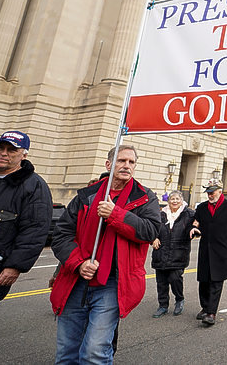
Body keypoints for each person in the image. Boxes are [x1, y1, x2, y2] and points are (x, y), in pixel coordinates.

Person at [51, 144, 161, 364]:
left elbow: (150, 231)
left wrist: (116, 214)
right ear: (109, 164)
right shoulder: (87, 196)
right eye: (121, 161)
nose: (126, 166)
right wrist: (79, 263)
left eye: (131, 162)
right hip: (76, 279)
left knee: (94, 351)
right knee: (66, 351)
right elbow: (61, 235)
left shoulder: (145, 197)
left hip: (112, 283)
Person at [0, 131, 52, 365]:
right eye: (1, 148)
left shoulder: (33, 186)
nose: (4, 154)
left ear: (23, 154)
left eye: (12, 150)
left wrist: (15, 266)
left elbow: (35, 231)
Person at [190, 182, 227, 325]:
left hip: (222, 249)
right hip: (205, 249)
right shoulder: (201, 207)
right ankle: (205, 307)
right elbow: (195, 223)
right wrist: (192, 229)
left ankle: (211, 312)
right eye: (208, 192)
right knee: (203, 280)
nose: (210, 195)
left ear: (220, 192)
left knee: (216, 281)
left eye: (212, 192)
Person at [151, 190, 196, 317]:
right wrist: (153, 238)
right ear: (168, 201)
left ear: (181, 201)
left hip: (179, 252)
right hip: (161, 252)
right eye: (172, 199)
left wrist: (195, 228)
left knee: (175, 278)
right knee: (161, 282)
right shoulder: (161, 214)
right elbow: (151, 228)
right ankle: (163, 306)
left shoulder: (189, 214)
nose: (175, 201)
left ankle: (179, 299)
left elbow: (198, 223)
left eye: (177, 199)